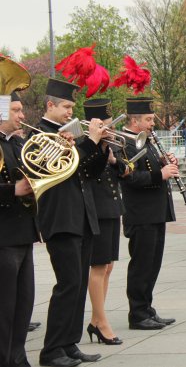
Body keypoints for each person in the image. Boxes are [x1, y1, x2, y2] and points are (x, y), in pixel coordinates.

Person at [36, 79, 107, 367]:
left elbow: (87, 172)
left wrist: (100, 148)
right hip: (61, 219)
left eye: (72, 107)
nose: (70, 112)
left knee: (78, 286)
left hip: (82, 217)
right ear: (50, 105)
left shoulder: (69, 134)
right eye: (66, 106)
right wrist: (88, 142)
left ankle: (69, 343)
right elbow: (59, 170)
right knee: (67, 285)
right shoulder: (40, 134)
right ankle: (52, 350)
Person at [121, 97, 177, 331]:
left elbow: (151, 166)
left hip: (155, 212)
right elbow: (130, 178)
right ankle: (137, 313)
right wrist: (160, 174)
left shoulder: (147, 139)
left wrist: (165, 162)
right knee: (141, 265)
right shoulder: (124, 142)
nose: (152, 123)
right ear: (134, 120)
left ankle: (147, 308)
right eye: (148, 119)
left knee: (153, 264)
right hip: (141, 214)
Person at [0, 87, 39, 367]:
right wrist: (12, 190)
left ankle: (17, 356)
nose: (21, 115)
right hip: (3, 235)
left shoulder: (16, 143)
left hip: (23, 231)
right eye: (15, 110)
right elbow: (14, 186)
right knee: (4, 307)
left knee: (24, 303)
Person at [83, 99, 125, 346]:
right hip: (96, 210)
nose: (109, 131)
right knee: (98, 267)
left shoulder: (109, 145)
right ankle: (101, 321)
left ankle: (96, 318)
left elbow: (122, 171)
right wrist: (96, 144)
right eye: (105, 126)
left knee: (108, 267)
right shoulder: (86, 143)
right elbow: (87, 172)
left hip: (111, 208)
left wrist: (112, 159)